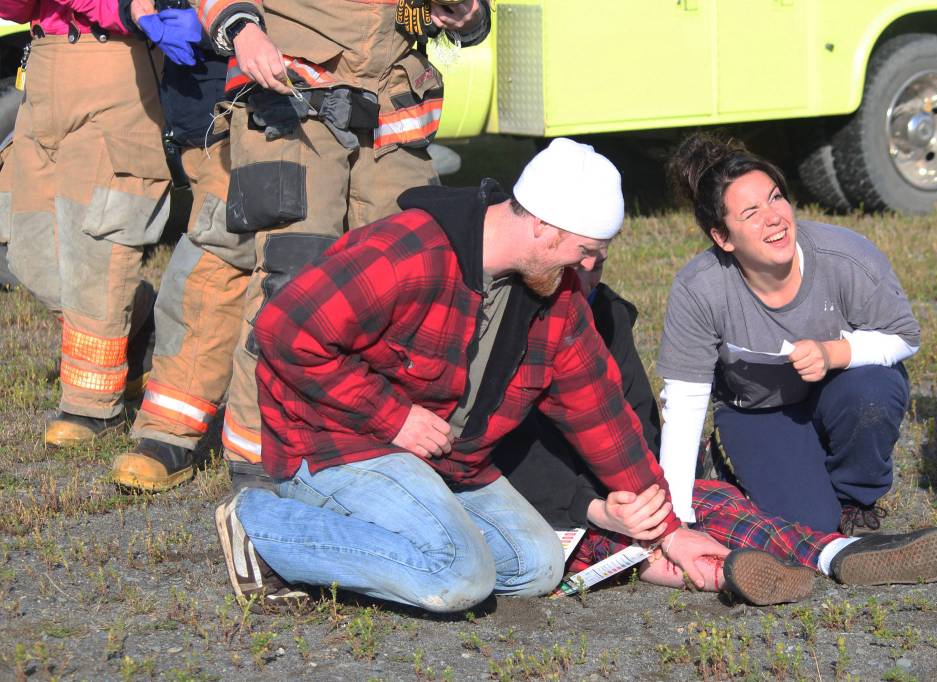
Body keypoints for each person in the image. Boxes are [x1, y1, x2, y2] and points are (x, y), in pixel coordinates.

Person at [215, 139, 739, 613]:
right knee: (458, 575)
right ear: (542, 225)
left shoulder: (558, 295)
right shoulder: (411, 250)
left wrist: (670, 531)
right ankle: (260, 527)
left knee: (537, 566)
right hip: (340, 444)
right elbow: (284, 329)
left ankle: (386, 551)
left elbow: (599, 410)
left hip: (449, 463)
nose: (589, 265)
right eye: (585, 250)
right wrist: (392, 415)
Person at [495, 251, 937, 605]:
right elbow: (506, 451)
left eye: (598, 261)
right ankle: (728, 571)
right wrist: (594, 505)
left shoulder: (605, 313)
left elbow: (636, 416)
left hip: (610, 481)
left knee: (710, 503)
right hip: (544, 496)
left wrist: (650, 496)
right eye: (577, 259)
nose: (587, 271)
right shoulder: (506, 327)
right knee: (581, 542)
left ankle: (836, 554)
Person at [191, 0, 491, 491]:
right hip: (289, 96)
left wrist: (469, 15)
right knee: (292, 276)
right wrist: (242, 29)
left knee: (409, 283)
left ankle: (374, 441)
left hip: (392, 111)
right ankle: (257, 454)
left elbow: (472, 20)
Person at [657, 135, 919, 535]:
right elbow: (685, 399)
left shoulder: (846, 256)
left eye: (776, 198)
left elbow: (904, 336)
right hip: (758, 411)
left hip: (836, 394)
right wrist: (675, 517)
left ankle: (855, 499)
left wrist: (833, 353)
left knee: (873, 389)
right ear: (722, 237)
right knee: (812, 526)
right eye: (751, 213)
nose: (774, 217)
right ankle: (727, 464)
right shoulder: (699, 288)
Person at [0, 0, 171, 447]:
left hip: (115, 65)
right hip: (43, 69)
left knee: (98, 249)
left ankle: (92, 409)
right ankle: (141, 321)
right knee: (28, 249)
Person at [109, 0, 249, 491]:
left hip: (277, 108)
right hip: (209, 115)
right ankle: (173, 428)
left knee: (219, 270)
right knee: (217, 260)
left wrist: (223, 28)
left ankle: (175, 434)